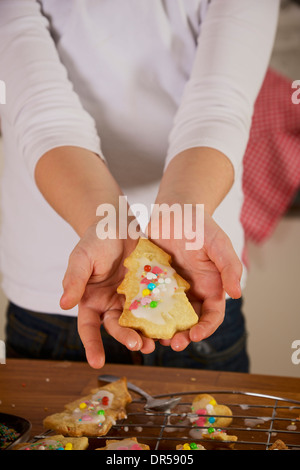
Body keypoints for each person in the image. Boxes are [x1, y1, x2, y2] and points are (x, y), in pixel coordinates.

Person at [0, 0, 279, 372]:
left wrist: (182, 212)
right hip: (53, 288)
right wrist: (105, 222)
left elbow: (219, 105)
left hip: (197, 274)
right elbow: (41, 114)